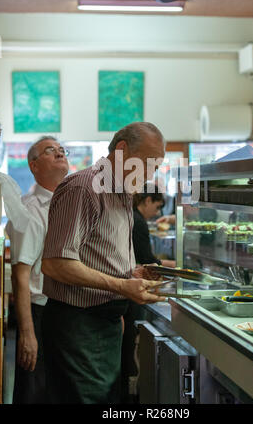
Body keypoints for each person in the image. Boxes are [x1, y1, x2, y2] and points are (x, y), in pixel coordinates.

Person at [41, 122, 166, 404]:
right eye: (147, 164)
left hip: (105, 323)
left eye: (155, 168)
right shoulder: (84, 188)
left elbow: (96, 255)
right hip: (77, 325)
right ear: (122, 150)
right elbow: (55, 263)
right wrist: (122, 285)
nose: (149, 175)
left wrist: (130, 273)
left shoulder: (122, 193)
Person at [5, 136, 69, 404]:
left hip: (63, 313)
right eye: (49, 150)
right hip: (39, 314)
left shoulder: (66, 204)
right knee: (35, 391)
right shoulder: (30, 210)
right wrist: (28, 334)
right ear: (33, 165)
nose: (59, 153)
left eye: (61, 149)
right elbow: (21, 277)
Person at [121, 184, 176, 402]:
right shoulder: (138, 221)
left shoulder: (132, 217)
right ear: (147, 201)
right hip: (133, 290)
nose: (158, 212)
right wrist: (174, 266)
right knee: (129, 347)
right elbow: (146, 260)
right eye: (157, 206)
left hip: (130, 286)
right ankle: (129, 393)